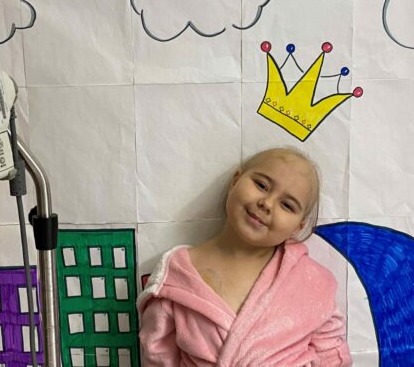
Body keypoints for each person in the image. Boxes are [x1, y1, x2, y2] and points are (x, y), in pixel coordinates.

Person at [137, 147, 352, 366]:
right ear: (235, 181)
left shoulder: (310, 282)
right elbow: (157, 354)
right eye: (261, 185)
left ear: (297, 227)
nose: (266, 204)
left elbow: (332, 355)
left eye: (287, 205)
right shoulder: (179, 275)